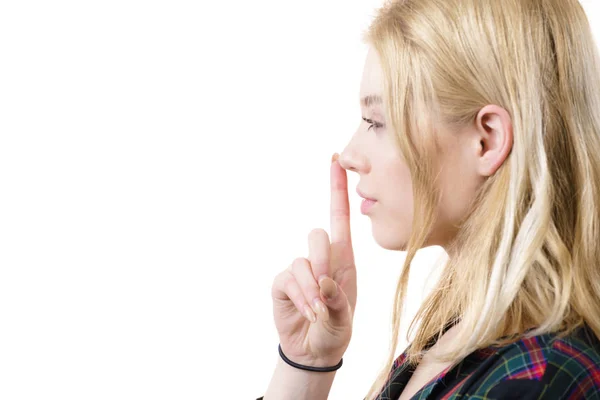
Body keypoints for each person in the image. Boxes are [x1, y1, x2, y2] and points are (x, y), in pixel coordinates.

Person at [257, 0, 600, 398]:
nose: (350, 154)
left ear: (486, 140)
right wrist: (308, 364)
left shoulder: (544, 379)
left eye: (377, 122)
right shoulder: (454, 339)